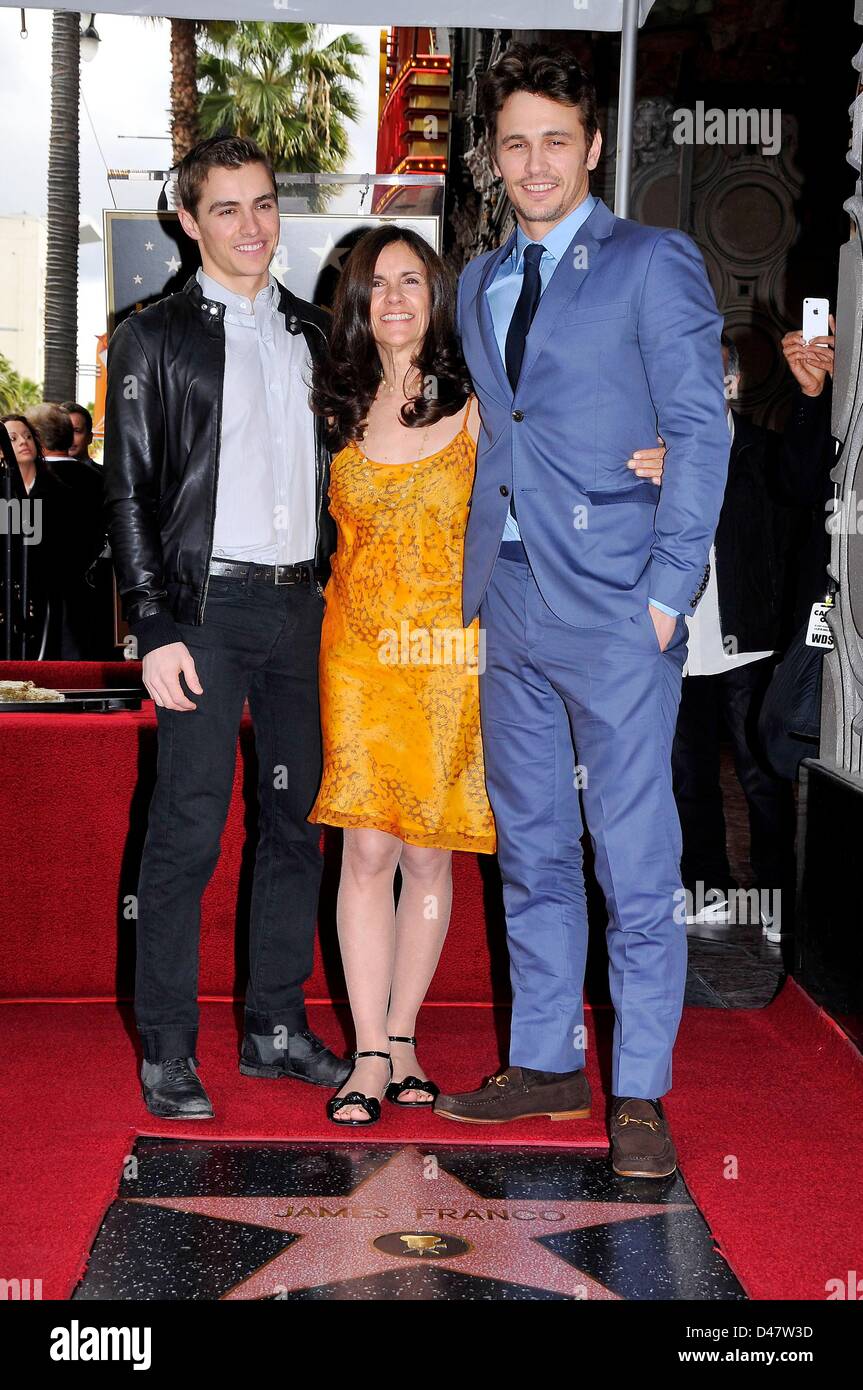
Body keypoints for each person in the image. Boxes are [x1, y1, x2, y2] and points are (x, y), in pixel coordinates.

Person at [433, 42, 730, 1180]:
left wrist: (666, 595)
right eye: (514, 142)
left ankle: (640, 1089)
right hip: (505, 598)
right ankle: (546, 1059)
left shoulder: (653, 263)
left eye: (555, 139)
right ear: (493, 158)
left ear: (593, 147)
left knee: (632, 854)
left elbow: (697, 433)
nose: (534, 162)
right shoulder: (478, 280)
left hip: (616, 606)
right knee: (533, 847)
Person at [307, 225, 667, 1126]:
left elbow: (582, 429)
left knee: (430, 851)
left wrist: (657, 453)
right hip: (356, 655)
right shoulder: (329, 405)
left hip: (454, 651)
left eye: (409, 281)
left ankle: (404, 1039)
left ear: (437, 297)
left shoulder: (477, 403)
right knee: (365, 850)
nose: (392, 298)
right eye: (374, 284)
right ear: (355, 303)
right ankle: (366, 1054)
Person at [103, 135, 350, 1121]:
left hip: (303, 611)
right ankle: (168, 1045)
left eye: (262, 205)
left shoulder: (313, 333)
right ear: (187, 219)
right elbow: (125, 493)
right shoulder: (151, 336)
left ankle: (274, 1025)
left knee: (294, 825)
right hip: (204, 612)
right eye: (226, 209)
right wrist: (152, 620)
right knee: (187, 831)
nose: (251, 226)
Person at [671, 333, 797, 936]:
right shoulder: (656, 456)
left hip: (748, 641)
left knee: (760, 773)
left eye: (711, 376)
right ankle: (707, 888)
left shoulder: (763, 454)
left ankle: (775, 897)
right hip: (676, 640)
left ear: (733, 384)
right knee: (687, 773)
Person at [26, 403, 106, 658]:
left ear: (36, 437)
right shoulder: (99, 480)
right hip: (88, 597)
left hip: (35, 598)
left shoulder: (28, 481)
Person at [0, 413, 72, 657]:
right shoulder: (4, 492)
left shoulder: (58, 491)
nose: (23, 442)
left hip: (49, 598)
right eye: (13, 438)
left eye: (28, 436)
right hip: (9, 594)